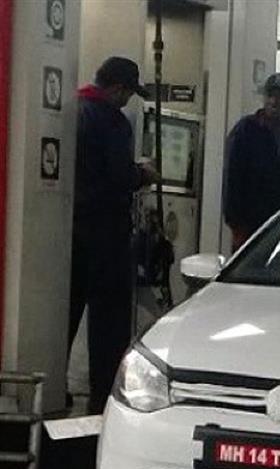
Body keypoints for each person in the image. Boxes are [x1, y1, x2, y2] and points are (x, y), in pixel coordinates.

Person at [68, 56, 158, 413]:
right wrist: (145, 174)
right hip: (107, 236)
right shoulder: (112, 121)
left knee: (67, 314)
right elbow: (120, 177)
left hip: (71, 231)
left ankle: (56, 394)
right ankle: (103, 400)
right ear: (118, 88)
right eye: (128, 93)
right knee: (109, 326)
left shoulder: (72, 111)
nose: (128, 101)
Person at [224, 73, 280, 251]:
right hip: (249, 228)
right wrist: (236, 225)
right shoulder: (246, 130)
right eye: (270, 95)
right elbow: (232, 177)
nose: (274, 102)